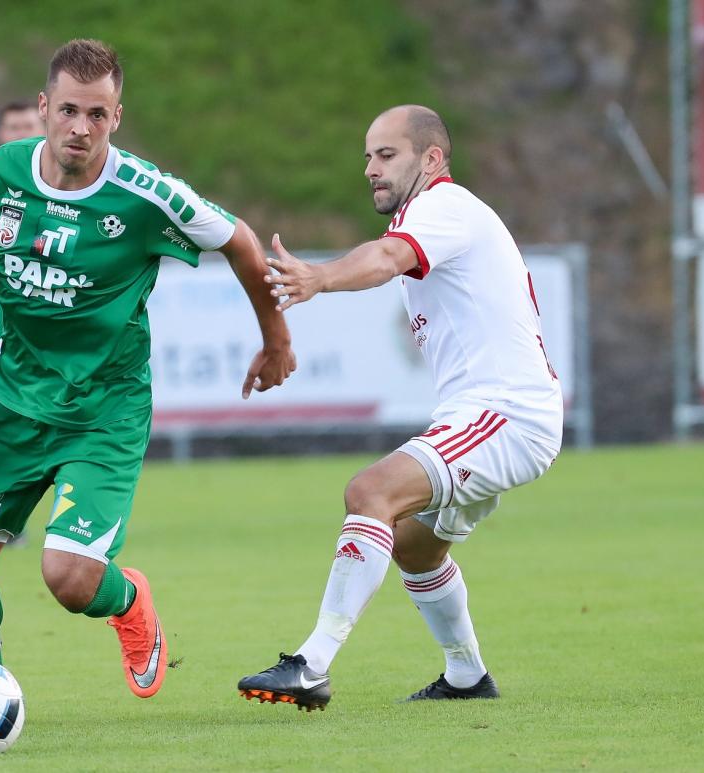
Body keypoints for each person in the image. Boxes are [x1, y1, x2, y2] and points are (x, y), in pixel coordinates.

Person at [0, 39, 296, 700]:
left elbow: (238, 240)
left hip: (104, 411)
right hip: (13, 405)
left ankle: (128, 600)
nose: (81, 128)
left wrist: (276, 337)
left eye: (97, 113)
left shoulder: (147, 196)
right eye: (68, 110)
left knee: (68, 578)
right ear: (43, 109)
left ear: (117, 117)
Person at [237, 105, 562, 709]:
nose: (370, 168)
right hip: (493, 415)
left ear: (431, 159)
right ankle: (467, 676)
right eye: (367, 156)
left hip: (506, 415)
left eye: (386, 155)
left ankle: (311, 663)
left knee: (370, 493)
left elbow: (386, 259)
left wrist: (319, 278)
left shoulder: (444, 206)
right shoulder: (438, 215)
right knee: (414, 544)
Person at [0, 100, 46, 549]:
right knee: (11, 409)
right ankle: (7, 514)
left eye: (28, 125)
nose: (21, 133)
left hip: (61, 317)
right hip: (10, 319)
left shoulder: (66, 181)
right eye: (13, 127)